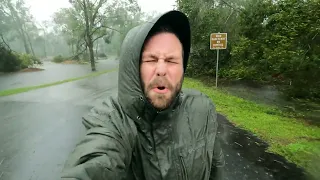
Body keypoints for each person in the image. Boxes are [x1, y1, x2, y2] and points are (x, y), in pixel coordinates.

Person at [61, 10, 225, 180]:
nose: (161, 70)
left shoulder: (202, 109)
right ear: (134, 68)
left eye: (171, 61)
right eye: (151, 60)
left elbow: (216, 168)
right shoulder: (113, 120)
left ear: (183, 68)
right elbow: (94, 164)